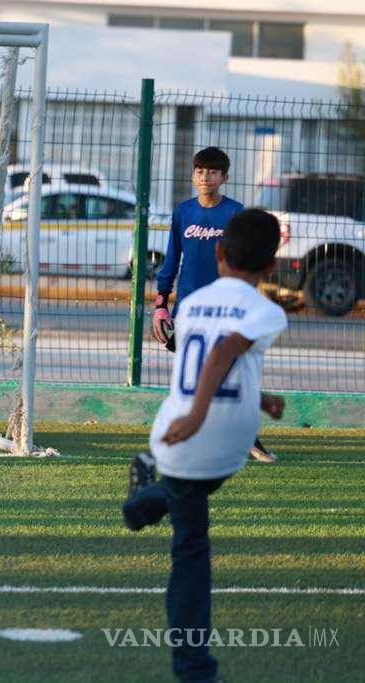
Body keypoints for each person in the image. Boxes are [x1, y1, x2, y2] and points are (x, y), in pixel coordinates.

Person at [123, 208, 288, 683]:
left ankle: (143, 501)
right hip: (215, 441)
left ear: (217, 253)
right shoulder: (267, 310)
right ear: (272, 267)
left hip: (177, 439)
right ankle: (195, 670)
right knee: (191, 543)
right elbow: (223, 351)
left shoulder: (191, 305)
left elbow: (217, 359)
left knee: (184, 497)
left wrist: (262, 397)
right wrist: (198, 415)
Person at [151, 146, 277, 463]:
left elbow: (246, 257)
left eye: (212, 172)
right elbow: (171, 260)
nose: (205, 177)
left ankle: (245, 437)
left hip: (227, 304)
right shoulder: (183, 213)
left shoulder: (235, 212)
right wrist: (161, 303)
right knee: (195, 375)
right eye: (199, 171)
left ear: (224, 177)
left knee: (230, 371)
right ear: (193, 176)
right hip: (189, 307)